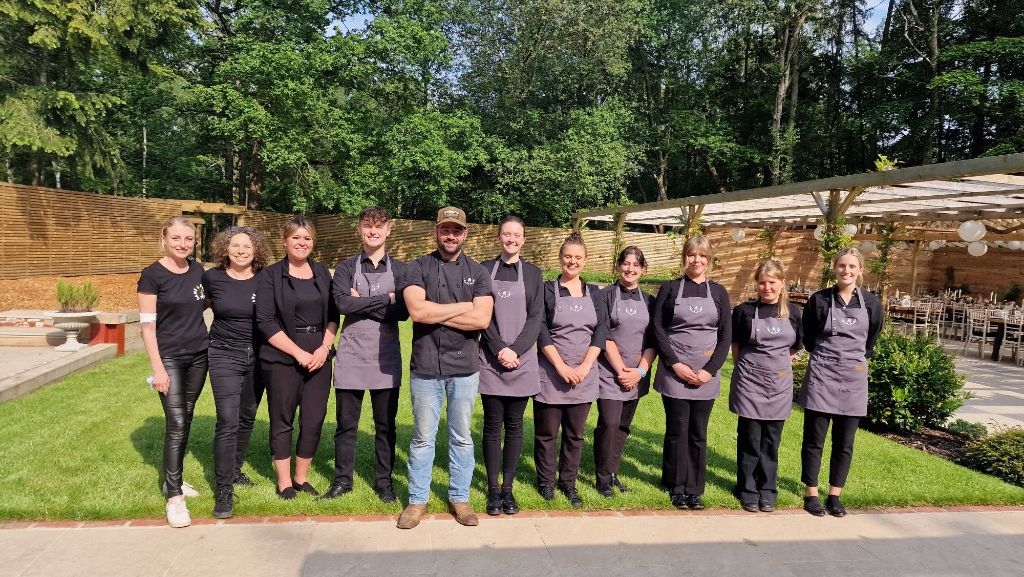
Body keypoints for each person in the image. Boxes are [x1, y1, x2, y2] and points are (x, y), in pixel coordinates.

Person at [398, 207, 494, 529]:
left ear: (465, 234)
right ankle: (416, 501)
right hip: (425, 366)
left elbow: (482, 320)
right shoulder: (418, 267)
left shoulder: (479, 272)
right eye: (445, 230)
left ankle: (459, 498)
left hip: (465, 369)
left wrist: (437, 311)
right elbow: (418, 313)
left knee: (462, 437)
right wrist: (464, 307)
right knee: (423, 437)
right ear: (436, 232)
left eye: (456, 230)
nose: (450, 236)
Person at [322, 207, 408, 504]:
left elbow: (404, 311)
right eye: (367, 226)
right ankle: (342, 480)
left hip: (386, 357)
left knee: (385, 426)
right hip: (351, 355)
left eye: (379, 226)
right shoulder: (346, 267)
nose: (373, 231)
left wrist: (364, 301)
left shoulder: (401, 269)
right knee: (347, 424)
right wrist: (386, 299)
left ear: (388, 230)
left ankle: (384, 482)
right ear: (359, 229)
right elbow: (342, 305)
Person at [256, 217, 339, 500]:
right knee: (282, 419)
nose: (302, 243)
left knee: (314, 419)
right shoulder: (269, 276)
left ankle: (301, 477)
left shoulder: (323, 274)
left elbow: (333, 316)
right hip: (282, 357)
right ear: (285, 240)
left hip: (319, 355)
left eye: (307, 239)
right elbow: (266, 322)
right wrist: (298, 353)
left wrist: (324, 348)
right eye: (296, 238)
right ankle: (284, 482)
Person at [798, 247, 883, 517]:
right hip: (822, 373)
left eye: (851, 266)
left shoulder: (871, 303)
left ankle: (835, 494)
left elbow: (871, 341)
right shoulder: (819, 300)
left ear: (860, 270)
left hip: (854, 378)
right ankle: (811, 492)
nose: (846, 271)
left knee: (844, 442)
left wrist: (851, 360)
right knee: (814, 439)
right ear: (834, 268)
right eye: (841, 266)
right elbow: (808, 338)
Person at [138, 216, 209, 528]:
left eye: (189, 239)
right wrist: (158, 369)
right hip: (169, 358)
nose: (183, 244)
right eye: (177, 238)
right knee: (177, 422)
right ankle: (174, 498)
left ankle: (175, 480)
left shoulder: (197, 270)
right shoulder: (152, 275)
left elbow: (203, 303)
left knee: (187, 416)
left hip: (199, 355)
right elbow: (147, 326)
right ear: (164, 239)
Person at [652, 235, 732, 511]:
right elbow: (658, 329)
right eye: (691, 255)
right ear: (684, 257)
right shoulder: (671, 289)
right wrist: (675, 363)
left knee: (698, 432)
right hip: (675, 371)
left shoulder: (719, 292)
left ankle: (695, 489)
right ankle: (675, 485)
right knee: (677, 429)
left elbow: (725, 336)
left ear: (709, 261)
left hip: (705, 376)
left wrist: (710, 371)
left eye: (702, 256)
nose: (696, 260)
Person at [534, 231, 609, 508]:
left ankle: (568, 483)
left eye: (578, 257)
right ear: (560, 258)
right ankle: (546, 483)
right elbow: (540, 330)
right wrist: (562, 366)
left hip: (584, 376)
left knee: (575, 435)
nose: (572, 261)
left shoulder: (595, 293)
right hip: (552, 373)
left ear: (585, 260)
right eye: (568, 256)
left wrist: (586, 366)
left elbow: (601, 331)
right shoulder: (546, 290)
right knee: (547, 434)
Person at [202, 226, 270, 519]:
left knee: (247, 416)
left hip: (259, 355)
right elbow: (193, 308)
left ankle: (236, 469)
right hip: (223, 353)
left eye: (247, 246)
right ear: (224, 249)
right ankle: (224, 489)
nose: (241, 251)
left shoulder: (265, 279)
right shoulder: (212, 278)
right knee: (227, 420)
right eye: (235, 245)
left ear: (256, 251)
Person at [478, 216, 544, 516]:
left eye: (517, 235)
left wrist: (515, 350)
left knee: (515, 426)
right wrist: (498, 348)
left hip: (523, 359)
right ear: (499, 237)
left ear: (524, 238)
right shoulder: (483, 270)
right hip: (491, 359)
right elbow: (482, 315)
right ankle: (493, 491)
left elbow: (535, 318)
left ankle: (508, 489)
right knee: (492, 425)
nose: (511, 239)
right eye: (506, 234)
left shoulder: (533, 274)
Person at [729, 259, 802, 513]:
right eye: (762, 283)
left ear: (782, 284)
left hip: (779, 385)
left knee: (771, 440)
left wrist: (778, 366)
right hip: (749, 382)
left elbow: (796, 346)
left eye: (772, 282)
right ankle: (747, 489)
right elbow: (735, 345)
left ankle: (768, 489)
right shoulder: (744, 311)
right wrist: (747, 369)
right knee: (750, 438)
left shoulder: (793, 312)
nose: (767, 287)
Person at [594, 246, 657, 498]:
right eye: (626, 263)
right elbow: (603, 333)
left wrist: (640, 371)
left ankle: (612, 473)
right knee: (608, 424)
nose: (630, 269)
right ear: (618, 265)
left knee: (622, 426)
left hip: (638, 373)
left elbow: (654, 340)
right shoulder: (605, 296)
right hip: (610, 372)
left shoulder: (651, 301)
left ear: (643, 269)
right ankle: (601, 477)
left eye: (636, 265)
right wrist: (621, 369)